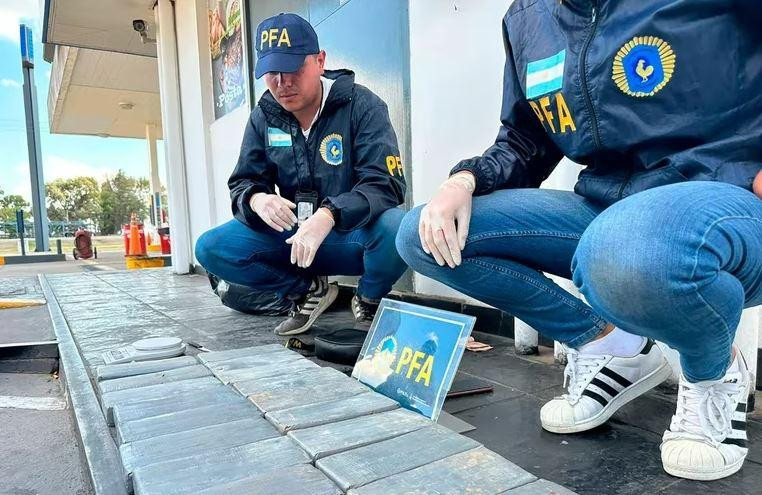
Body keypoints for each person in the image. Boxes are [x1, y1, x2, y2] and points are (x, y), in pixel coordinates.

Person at [396, 0, 762, 481]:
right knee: (425, 234)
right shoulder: (528, 17)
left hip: (724, 197)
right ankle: (615, 349)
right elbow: (525, 139)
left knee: (625, 249)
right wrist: (463, 180)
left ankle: (715, 373)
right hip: (607, 207)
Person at [196, 13, 407, 336]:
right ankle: (307, 291)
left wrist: (329, 214)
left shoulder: (363, 106)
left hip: (350, 235)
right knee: (211, 247)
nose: (283, 82)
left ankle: (370, 300)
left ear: (320, 61)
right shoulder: (263, 117)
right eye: (272, 72)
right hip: (294, 238)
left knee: (400, 226)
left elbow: (386, 184)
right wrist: (257, 199)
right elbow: (243, 182)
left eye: (293, 67)